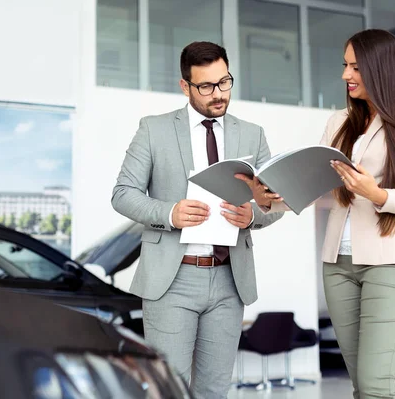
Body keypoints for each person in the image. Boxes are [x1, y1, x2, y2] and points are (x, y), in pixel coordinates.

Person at [238, 29, 395, 399]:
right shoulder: (337, 122)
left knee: (376, 385)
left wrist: (373, 193)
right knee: (361, 384)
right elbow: (313, 189)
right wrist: (266, 197)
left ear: (380, 69)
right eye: (345, 65)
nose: (346, 75)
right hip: (338, 264)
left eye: (356, 67)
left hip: (390, 263)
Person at [111, 41, 283, 398]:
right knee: (167, 390)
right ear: (185, 86)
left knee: (214, 391)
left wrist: (254, 214)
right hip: (172, 280)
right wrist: (169, 213)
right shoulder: (153, 129)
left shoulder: (253, 134)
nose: (218, 94)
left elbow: (274, 203)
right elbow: (123, 194)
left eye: (225, 82)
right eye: (206, 86)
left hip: (229, 281)